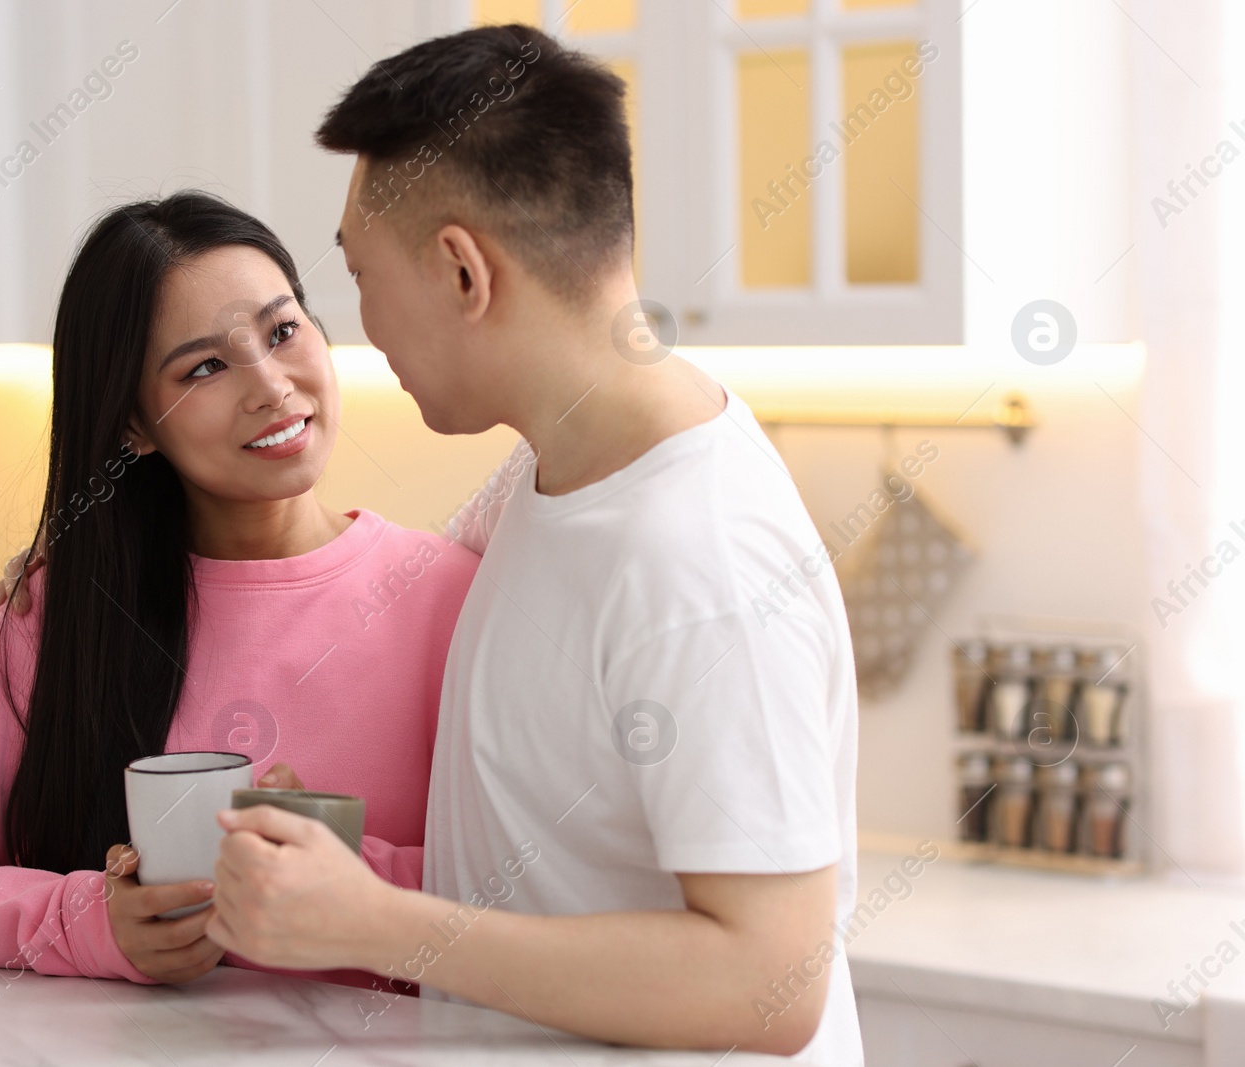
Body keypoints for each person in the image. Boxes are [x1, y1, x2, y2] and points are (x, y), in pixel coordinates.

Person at [199, 25, 863, 1062]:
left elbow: (767, 983)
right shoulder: (547, 472)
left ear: (464, 273)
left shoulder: (703, 559)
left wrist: (376, 922)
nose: (362, 326)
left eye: (363, 277)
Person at [0, 191, 479, 995]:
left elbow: (549, 883)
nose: (271, 385)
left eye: (283, 329)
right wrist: (90, 922)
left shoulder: (456, 599)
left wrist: (352, 877)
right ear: (133, 426)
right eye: (206, 367)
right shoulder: (64, 612)